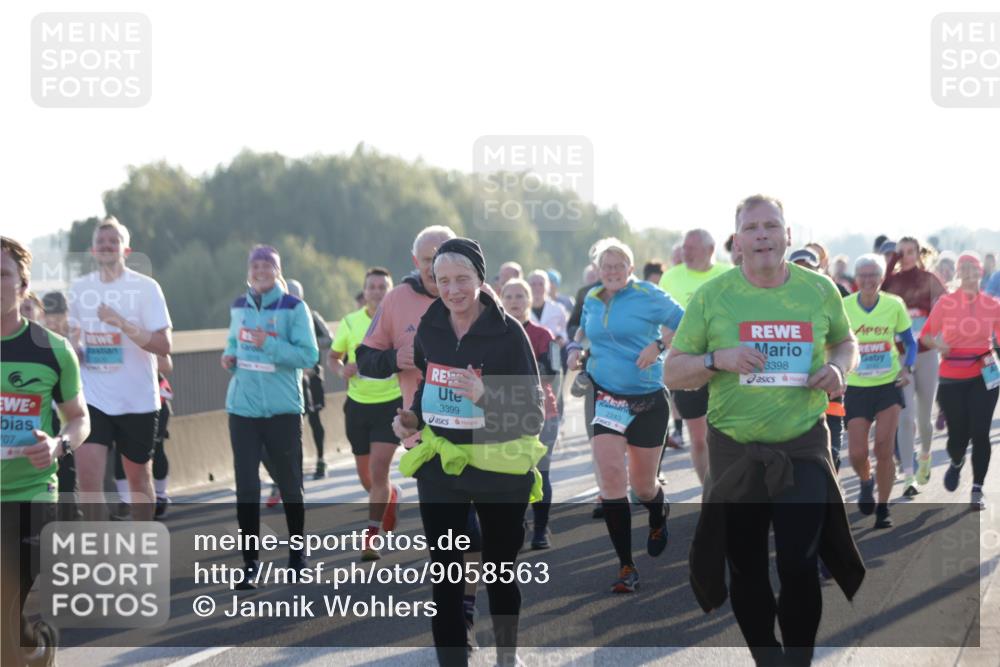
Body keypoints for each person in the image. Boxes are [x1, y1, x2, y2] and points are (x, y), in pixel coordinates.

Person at [665, 194, 863, 666]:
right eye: (751, 228)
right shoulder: (714, 296)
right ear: (737, 242)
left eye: (771, 226)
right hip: (736, 451)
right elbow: (673, 372)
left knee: (798, 563)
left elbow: (845, 341)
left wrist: (839, 369)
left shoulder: (819, 290)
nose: (762, 236)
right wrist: (718, 360)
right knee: (746, 568)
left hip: (803, 444)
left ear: (787, 235)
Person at [391, 238, 545, 667]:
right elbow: (427, 388)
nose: (453, 290)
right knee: (445, 573)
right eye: (443, 281)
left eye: (462, 279)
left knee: (498, 571)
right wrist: (411, 420)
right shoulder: (431, 327)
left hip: (498, 467)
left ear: (481, 279)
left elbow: (532, 415)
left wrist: (486, 396)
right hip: (445, 465)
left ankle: (506, 657)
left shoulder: (508, 333)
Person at [566, 237, 684, 593]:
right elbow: (584, 331)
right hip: (607, 398)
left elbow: (688, 322)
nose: (613, 272)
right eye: (606, 267)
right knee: (612, 479)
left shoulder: (648, 295)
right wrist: (575, 348)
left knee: (644, 486)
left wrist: (660, 345)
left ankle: (657, 512)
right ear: (598, 271)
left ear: (630, 269)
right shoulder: (593, 297)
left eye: (619, 266)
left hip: (648, 399)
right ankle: (626, 566)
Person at [1, 236, 90, 667]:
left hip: (30, 496)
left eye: (2, 275)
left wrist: (58, 445)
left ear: (22, 286)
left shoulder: (53, 350)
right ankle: (36, 648)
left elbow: (78, 417)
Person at [221, 245, 318, 584]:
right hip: (242, 408)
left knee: (290, 485)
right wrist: (229, 355)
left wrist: (270, 344)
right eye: (255, 265)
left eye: (267, 265)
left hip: (282, 410)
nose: (260, 270)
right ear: (249, 271)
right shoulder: (239, 305)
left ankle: (297, 554)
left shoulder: (294, 307)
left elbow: (309, 356)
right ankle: (250, 565)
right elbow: (234, 341)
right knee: (246, 487)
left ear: (277, 271)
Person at [68, 216, 172, 521]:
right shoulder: (79, 289)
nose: (107, 246)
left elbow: (163, 346)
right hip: (93, 396)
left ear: (126, 250)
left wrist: (122, 323)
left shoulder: (146, 288)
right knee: (88, 481)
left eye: (114, 241)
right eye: (101, 241)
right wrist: (76, 351)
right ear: (92, 250)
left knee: (138, 479)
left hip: (137, 398)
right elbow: (74, 337)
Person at [330, 267, 404, 560]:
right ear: (364, 292)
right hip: (358, 406)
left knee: (379, 470)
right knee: (366, 478)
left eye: (382, 286)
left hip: (389, 403)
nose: (376, 291)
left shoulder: (398, 322)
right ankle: (390, 496)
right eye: (371, 287)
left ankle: (370, 539)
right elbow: (333, 357)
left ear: (390, 290)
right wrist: (340, 369)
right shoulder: (350, 322)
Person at [920, 252, 1000, 510]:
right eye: (963, 269)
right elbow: (925, 336)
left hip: (985, 371)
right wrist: (938, 343)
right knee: (958, 437)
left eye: (972, 269)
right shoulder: (946, 303)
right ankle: (956, 462)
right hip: (952, 375)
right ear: (957, 274)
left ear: (980, 273)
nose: (968, 274)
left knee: (980, 432)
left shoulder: (992, 305)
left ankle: (977, 488)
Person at [843, 254, 916, 528]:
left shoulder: (893, 305)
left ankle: (883, 507)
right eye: (863, 274)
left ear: (881, 277)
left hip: (887, 385)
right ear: (856, 278)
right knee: (857, 453)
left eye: (873, 274)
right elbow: (832, 341)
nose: (868, 279)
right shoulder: (844, 306)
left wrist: (906, 368)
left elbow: (910, 343)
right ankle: (865, 480)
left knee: (883, 447)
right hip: (856, 387)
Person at [658, 229, 730, 484]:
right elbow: (663, 321)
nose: (685, 252)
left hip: (726, 365)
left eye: (692, 248)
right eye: (684, 247)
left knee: (726, 433)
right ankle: (709, 493)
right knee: (698, 437)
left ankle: (732, 488)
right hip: (687, 365)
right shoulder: (671, 277)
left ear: (710, 250)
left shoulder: (727, 274)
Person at [501, 278, 561, 549]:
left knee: (541, 471)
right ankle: (515, 524)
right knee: (510, 474)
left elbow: (552, 371)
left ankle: (541, 529)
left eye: (520, 296)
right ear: (502, 301)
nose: (514, 301)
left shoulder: (543, 334)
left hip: (542, 413)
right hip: (502, 414)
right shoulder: (495, 334)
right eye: (509, 296)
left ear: (530, 301)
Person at [882, 237, 946, 486]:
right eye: (901, 252)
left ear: (919, 253)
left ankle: (926, 456)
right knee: (905, 417)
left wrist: (936, 332)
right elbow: (879, 291)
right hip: (900, 356)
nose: (906, 256)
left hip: (927, 354)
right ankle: (908, 474)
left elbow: (946, 305)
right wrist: (891, 264)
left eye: (910, 252)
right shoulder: (893, 281)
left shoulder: (929, 278)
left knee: (923, 418)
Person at [790, 248, 848, 473]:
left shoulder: (833, 295)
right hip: (793, 393)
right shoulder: (776, 302)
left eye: (809, 268)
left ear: (819, 269)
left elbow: (847, 340)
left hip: (827, 385)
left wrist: (839, 368)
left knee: (831, 456)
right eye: (799, 268)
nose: (804, 273)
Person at [112, 353, 175, 520]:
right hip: (120, 404)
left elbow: (166, 362)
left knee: (155, 449)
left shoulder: (140, 332)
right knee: (121, 449)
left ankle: (160, 495)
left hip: (152, 404)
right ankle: (126, 501)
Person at [287, 279, 333, 479]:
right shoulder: (280, 318)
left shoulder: (311, 315)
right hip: (290, 379)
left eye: (294, 295)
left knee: (314, 419)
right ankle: (292, 465)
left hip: (311, 375)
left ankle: (321, 460)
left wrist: (310, 344)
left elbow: (329, 339)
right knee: (292, 423)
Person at [526, 269, 568, 344]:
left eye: (541, 284)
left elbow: (564, 330)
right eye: (533, 284)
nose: (537, 288)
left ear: (548, 286)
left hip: (552, 350)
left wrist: (561, 338)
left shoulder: (558, 309)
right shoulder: (522, 309)